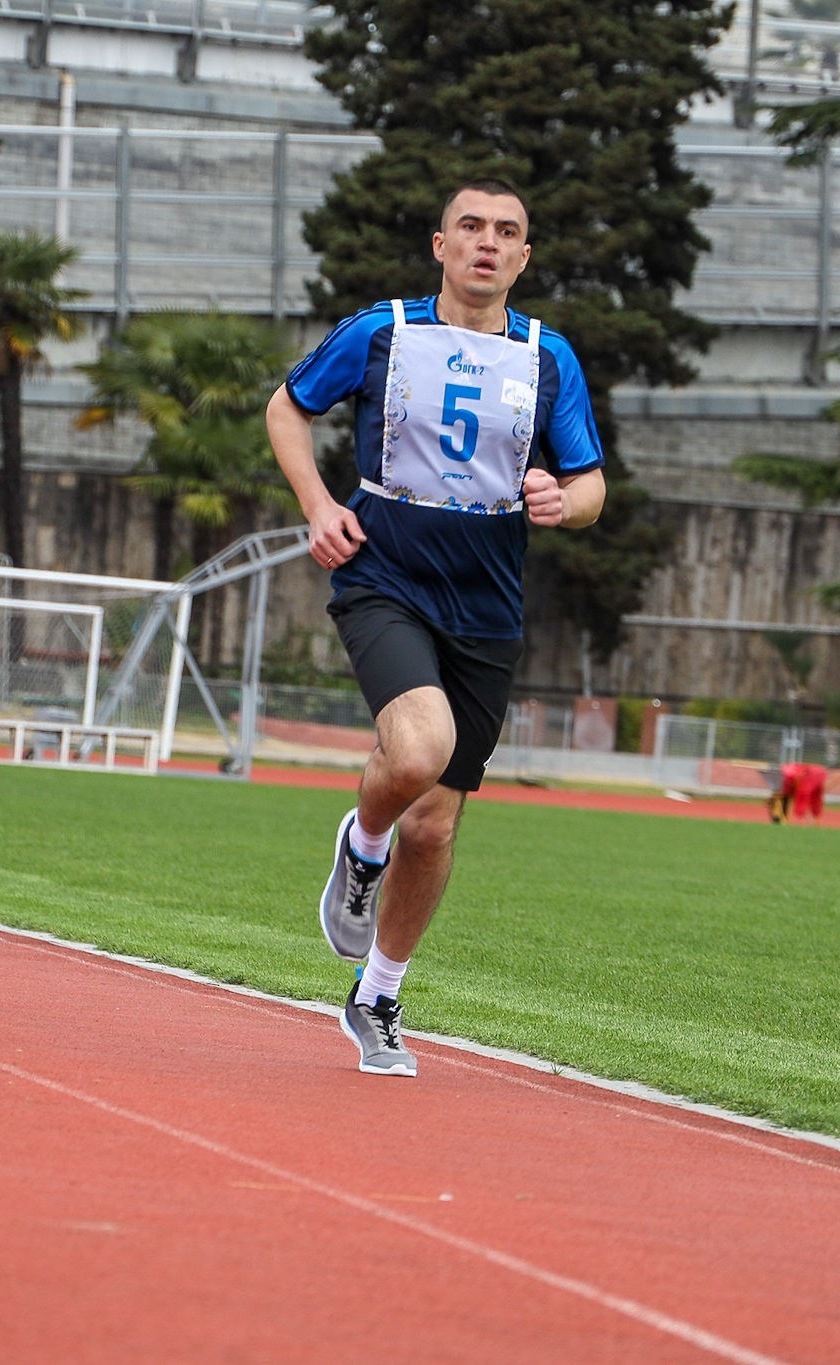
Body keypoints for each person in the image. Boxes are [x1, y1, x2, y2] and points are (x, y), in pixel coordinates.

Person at [265, 179, 607, 1077]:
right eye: (471, 227)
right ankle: (360, 844)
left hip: (488, 601)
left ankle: (377, 994)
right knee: (415, 752)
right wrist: (317, 503)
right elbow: (287, 407)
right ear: (440, 244)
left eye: (507, 232)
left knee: (437, 827)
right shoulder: (383, 331)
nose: (487, 243)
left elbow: (593, 486)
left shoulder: (548, 357)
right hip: (385, 574)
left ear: (525, 257)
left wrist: (560, 500)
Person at [765, 761, 840, 824]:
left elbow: (803, 793)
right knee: (815, 796)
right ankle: (809, 821)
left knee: (810, 796)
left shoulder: (788, 773)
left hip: (803, 778)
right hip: (806, 777)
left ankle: (800, 820)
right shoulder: (791, 772)